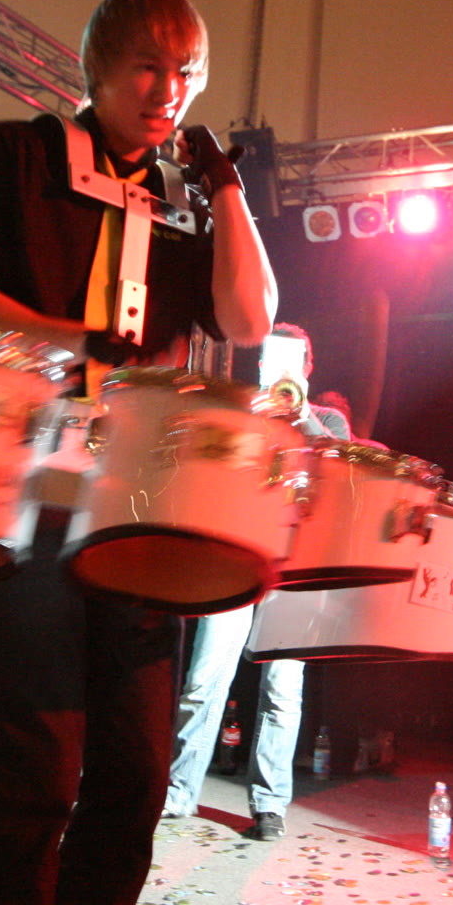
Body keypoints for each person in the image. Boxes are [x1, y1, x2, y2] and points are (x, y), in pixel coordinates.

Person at [0, 0, 276, 905]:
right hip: (26, 498)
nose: (170, 91)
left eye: (188, 74)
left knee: (133, 786)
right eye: (149, 68)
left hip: (139, 517)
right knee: (29, 786)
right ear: (97, 67)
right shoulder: (15, 157)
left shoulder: (182, 203)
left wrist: (225, 188)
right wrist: (77, 345)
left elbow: (249, 318)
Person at [163, 323, 346, 841]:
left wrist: (300, 414)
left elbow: (339, 471)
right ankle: (178, 793)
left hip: (295, 568)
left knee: (283, 691)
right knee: (204, 680)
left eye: (292, 361)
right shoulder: (242, 409)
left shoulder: (327, 420)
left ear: (307, 368)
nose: (280, 368)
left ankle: (269, 805)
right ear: (261, 365)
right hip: (239, 557)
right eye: (271, 359)